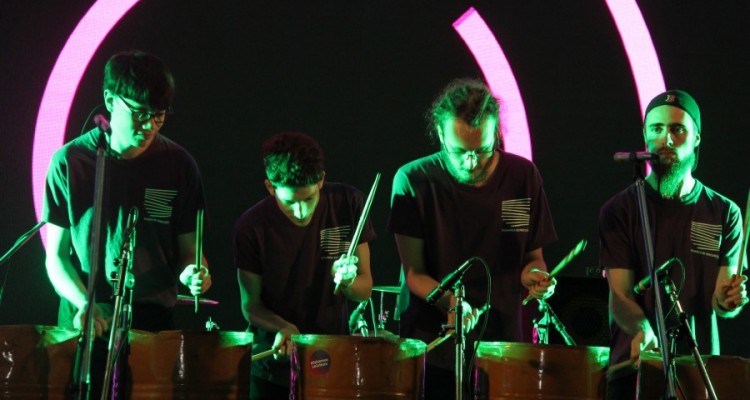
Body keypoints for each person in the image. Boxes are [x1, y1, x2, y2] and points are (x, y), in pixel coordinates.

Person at [43, 50, 211, 395]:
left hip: (151, 322)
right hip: (87, 319)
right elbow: (56, 258)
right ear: (109, 99)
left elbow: (189, 253)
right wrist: (84, 302)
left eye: (159, 116)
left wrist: (195, 273)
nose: (149, 125)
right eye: (139, 113)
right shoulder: (70, 163)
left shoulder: (179, 165)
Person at [387, 78, 558, 397]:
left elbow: (527, 257)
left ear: (496, 134)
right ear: (440, 135)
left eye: (482, 150)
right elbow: (415, 273)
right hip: (431, 343)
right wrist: (453, 303)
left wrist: (535, 276)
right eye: (459, 152)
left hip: (501, 340)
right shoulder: (413, 181)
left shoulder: (521, 177)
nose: (471, 163)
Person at [599, 89, 748, 399]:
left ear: (696, 138)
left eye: (678, 129)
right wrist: (646, 330)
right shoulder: (619, 210)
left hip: (698, 372)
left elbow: (721, 302)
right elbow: (619, 294)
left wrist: (730, 300)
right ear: (645, 135)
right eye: (657, 129)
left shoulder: (724, 212)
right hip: (635, 370)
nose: (666, 139)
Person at [234, 131, 374, 399]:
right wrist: (283, 327)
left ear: (321, 179)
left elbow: (364, 290)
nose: (301, 212)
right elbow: (250, 305)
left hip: (331, 357)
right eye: (289, 203)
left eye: (308, 199)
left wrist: (347, 283)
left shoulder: (349, 203)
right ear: (270, 186)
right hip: (272, 364)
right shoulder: (250, 226)